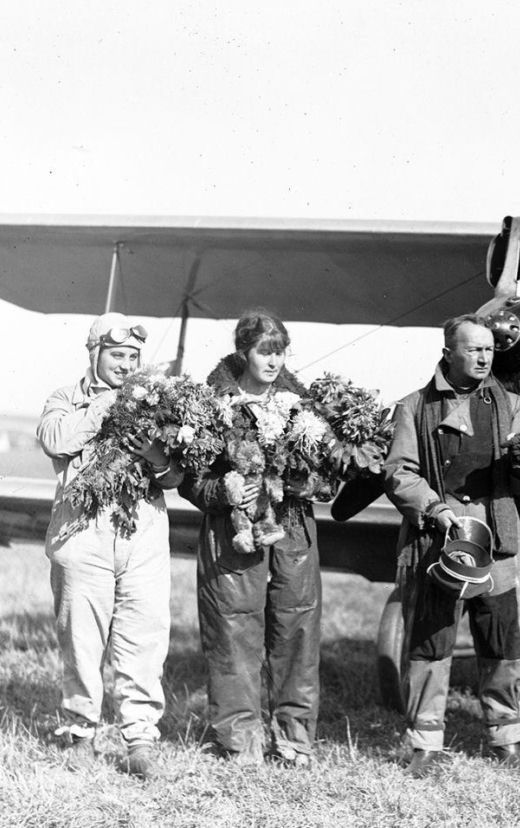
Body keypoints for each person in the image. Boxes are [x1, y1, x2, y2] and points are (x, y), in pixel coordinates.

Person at [383, 313, 520, 777]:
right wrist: (435, 509)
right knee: (431, 638)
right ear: (448, 353)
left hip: (496, 536)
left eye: (489, 349)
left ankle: (507, 732)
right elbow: (400, 472)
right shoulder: (414, 407)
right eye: (473, 349)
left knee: (502, 636)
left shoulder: (511, 404)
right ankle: (425, 739)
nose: (483, 356)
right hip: (439, 537)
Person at [38, 312, 182, 779]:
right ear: (94, 354)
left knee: (144, 635)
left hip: (142, 532)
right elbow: (56, 440)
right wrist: (110, 406)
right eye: (117, 355)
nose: (125, 364)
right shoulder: (66, 398)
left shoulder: (157, 402)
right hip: (82, 533)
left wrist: (158, 456)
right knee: (81, 638)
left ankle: (139, 739)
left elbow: (177, 475)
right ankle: (80, 732)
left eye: (134, 357)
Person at [179, 309, 324, 767]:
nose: (274, 360)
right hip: (231, 531)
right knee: (233, 628)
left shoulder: (304, 409)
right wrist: (222, 489)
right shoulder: (211, 406)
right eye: (265, 350)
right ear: (244, 351)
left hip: (293, 527)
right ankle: (239, 740)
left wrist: (300, 485)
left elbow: (327, 478)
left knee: (296, 627)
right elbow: (191, 479)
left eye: (280, 351)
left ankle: (295, 739)